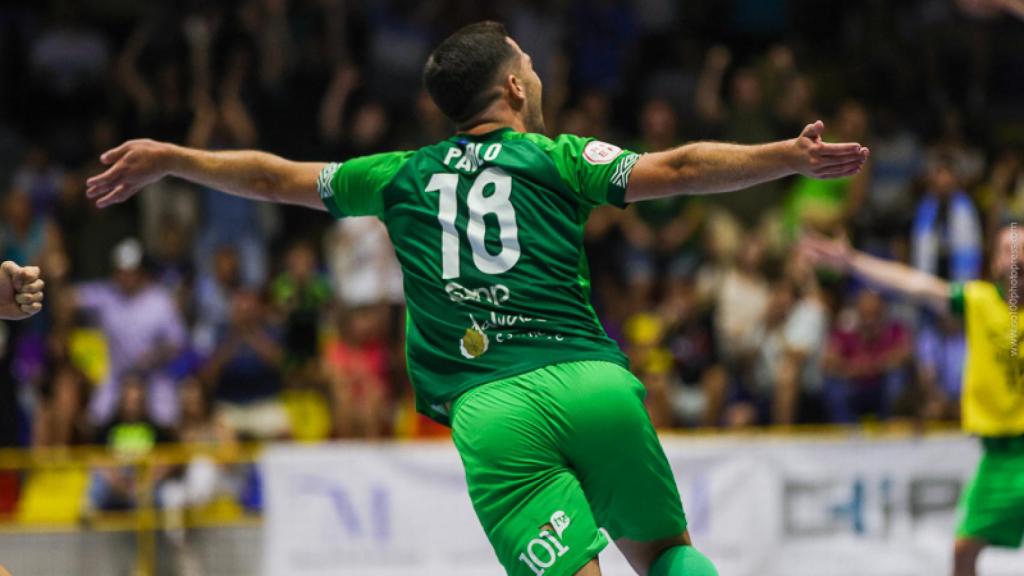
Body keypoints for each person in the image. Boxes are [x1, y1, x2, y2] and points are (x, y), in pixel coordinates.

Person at [85, 21, 868, 576]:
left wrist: (173, 157)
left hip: (493, 411)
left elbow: (271, 177)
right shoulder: (560, 157)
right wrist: (785, 157)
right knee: (668, 556)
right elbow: (686, 167)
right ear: (516, 84)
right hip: (593, 386)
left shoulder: (398, 173)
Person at [802, 225, 1024, 576]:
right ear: (995, 261)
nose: (1017, 265)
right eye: (1009, 255)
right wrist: (853, 261)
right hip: (998, 456)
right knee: (964, 549)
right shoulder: (978, 301)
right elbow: (915, 286)